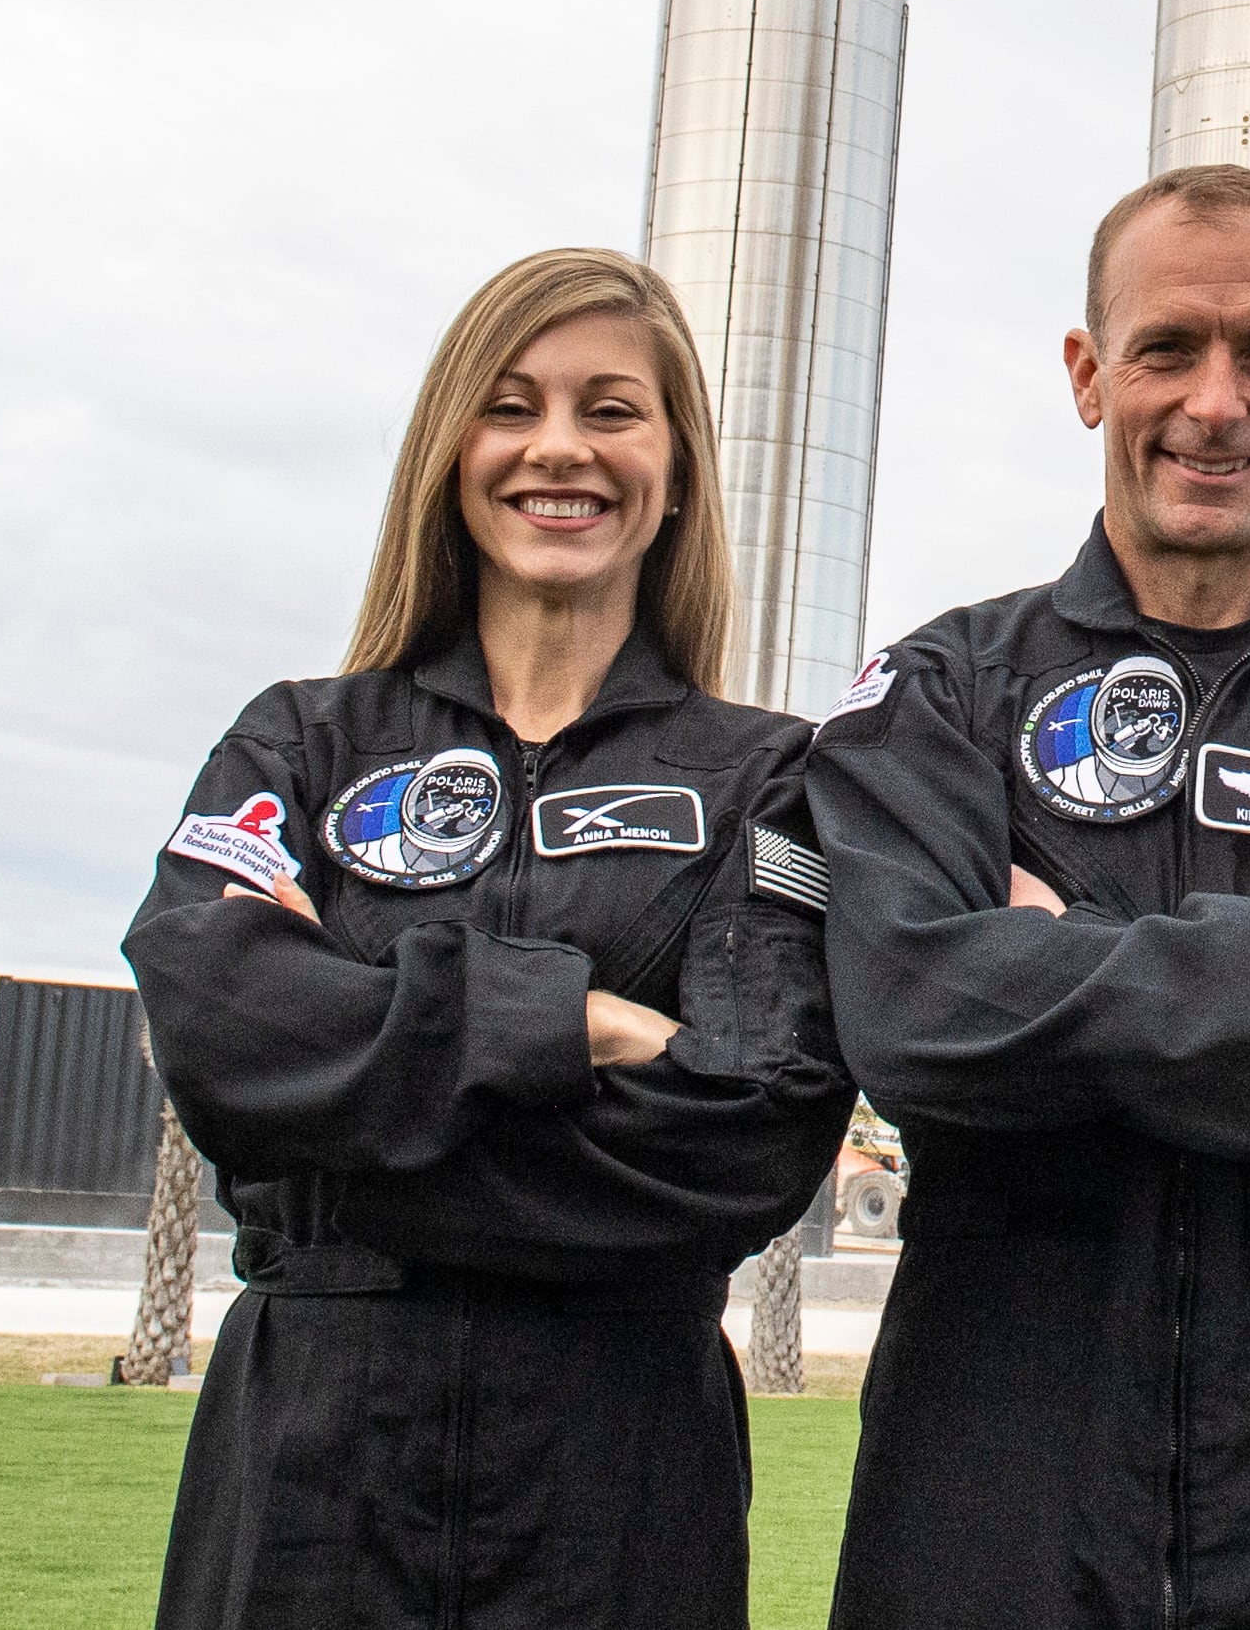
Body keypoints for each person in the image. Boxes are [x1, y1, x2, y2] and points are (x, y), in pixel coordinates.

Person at [811, 164, 1250, 1630]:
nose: (1217, 401)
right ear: (1089, 374)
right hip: (985, 1507)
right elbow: (913, 1022)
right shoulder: (949, 691)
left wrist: (1059, 968)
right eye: (1168, 348)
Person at [126, 248, 852, 1630]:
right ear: (451, 452)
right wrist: (578, 1021)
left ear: (679, 468)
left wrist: (355, 1086)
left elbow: (754, 1124)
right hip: (310, 1471)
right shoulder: (301, 739)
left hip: (619, 1481)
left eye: (612, 409)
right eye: (512, 404)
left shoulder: (768, 782)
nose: (559, 447)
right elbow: (215, 1030)